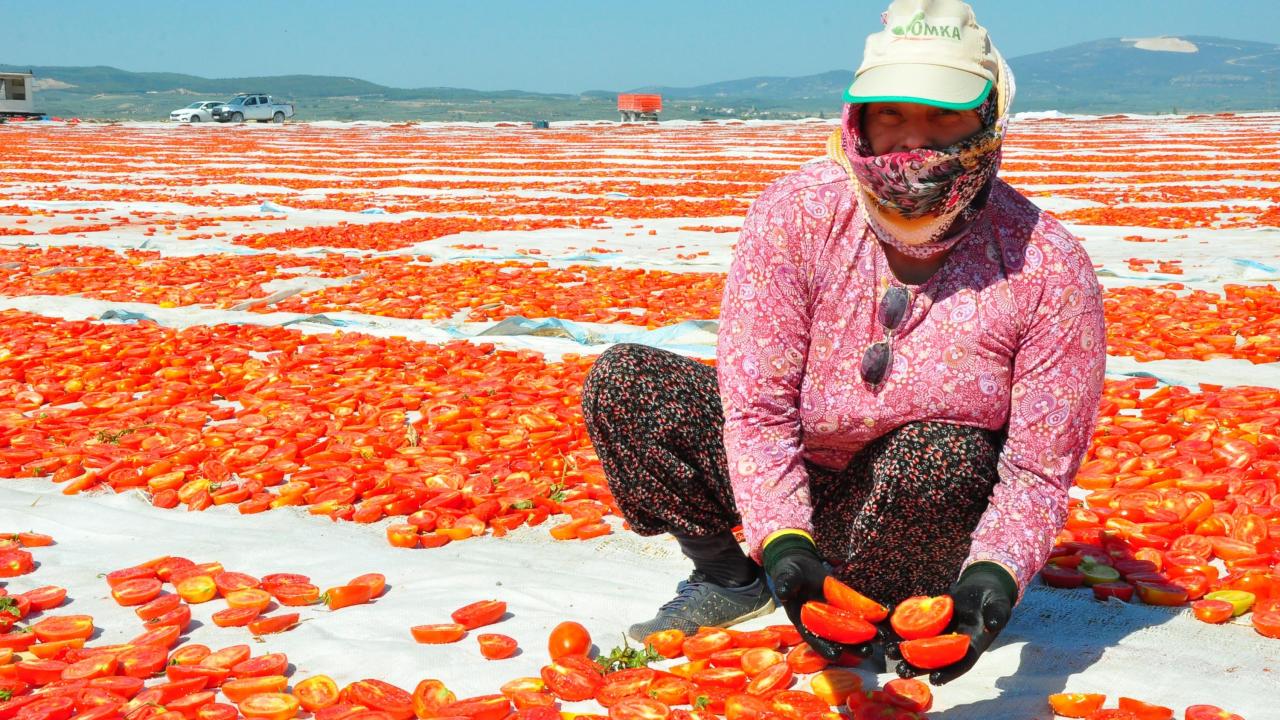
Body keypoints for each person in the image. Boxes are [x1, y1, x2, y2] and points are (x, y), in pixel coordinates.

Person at [581, 0, 1105, 684]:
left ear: (989, 120)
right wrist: (785, 544)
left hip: (920, 504)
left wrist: (994, 580)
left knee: (941, 454)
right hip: (792, 471)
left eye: (945, 115)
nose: (915, 141)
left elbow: (1037, 471)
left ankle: (887, 601)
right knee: (628, 382)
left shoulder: (1046, 264)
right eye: (891, 113)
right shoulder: (796, 216)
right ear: (857, 120)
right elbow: (758, 410)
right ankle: (730, 578)